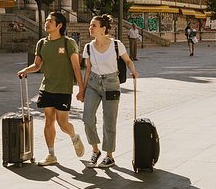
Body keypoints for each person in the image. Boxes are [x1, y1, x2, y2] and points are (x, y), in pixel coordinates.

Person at [17, 11, 86, 166]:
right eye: (46, 20)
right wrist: (25, 70)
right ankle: (51, 154)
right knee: (49, 121)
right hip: (46, 87)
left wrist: (81, 89)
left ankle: (74, 137)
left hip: (63, 89)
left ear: (59, 25)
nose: (46, 23)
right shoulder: (42, 43)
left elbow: (76, 68)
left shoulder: (68, 43)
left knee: (63, 124)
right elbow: (37, 65)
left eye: (50, 21)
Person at [77, 14, 138, 169]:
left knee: (109, 121)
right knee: (87, 118)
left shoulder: (116, 45)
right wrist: (82, 90)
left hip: (111, 84)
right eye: (90, 25)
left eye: (93, 25)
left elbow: (128, 60)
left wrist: (133, 72)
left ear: (103, 28)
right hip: (93, 84)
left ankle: (109, 156)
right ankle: (95, 150)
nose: (90, 27)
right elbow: (88, 69)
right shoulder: (88, 47)